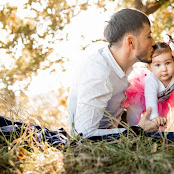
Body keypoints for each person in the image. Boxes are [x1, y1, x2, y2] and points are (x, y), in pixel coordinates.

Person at [67, 8, 166, 138]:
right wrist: (138, 130)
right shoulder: (99, 74)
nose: (153, 42)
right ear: (130, 42)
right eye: (148, 36)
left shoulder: (120, 65)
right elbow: (84, 134)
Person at [124, 41, 174, 127]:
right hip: (141, 97)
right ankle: (131, 131)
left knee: (162, 121)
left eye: (168, 63)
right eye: (158, 65)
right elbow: (151, 101)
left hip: (160, 100)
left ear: (173, 61)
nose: (164, 69)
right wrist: (154, 117)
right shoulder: (151, 80)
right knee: (134, 118)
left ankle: (159, 136)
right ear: (150, 68)